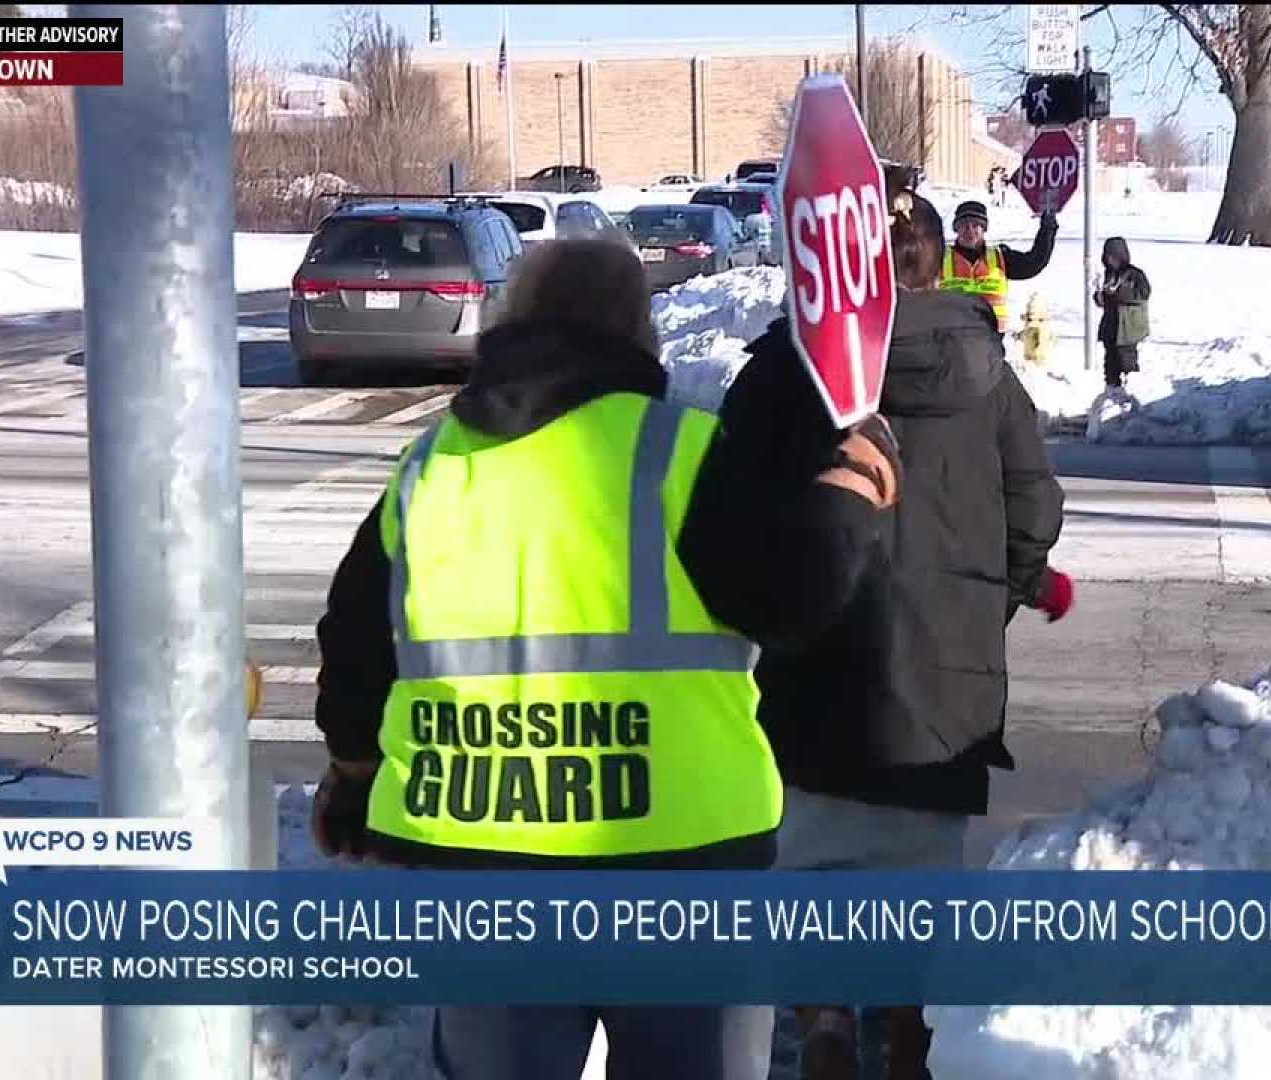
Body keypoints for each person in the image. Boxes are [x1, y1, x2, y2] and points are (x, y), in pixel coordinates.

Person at [308, 236, 903, 1080]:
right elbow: (794, 598)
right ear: (637, 332)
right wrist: (854, 488)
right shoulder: (681, 451)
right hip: (682, 866)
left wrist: (356, 772)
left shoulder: (430, 468)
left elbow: (357, 641)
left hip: (481, 868)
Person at [709, 168, 1069, 1080]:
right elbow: (1036, 504)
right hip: (946, 674)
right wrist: (996, 596)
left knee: (818, 858)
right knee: (919, 870)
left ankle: (827, 1021)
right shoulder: (985, 374)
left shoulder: (783, 373)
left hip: (810, 661)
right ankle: (908, 1027)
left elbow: (725, 524)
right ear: (937, 260)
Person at [939, 200, 1058, 330]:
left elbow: (1034, 263)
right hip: (951, 340)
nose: (970, 230)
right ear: (956, 229)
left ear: (984, 229)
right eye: (964, 225)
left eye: (976, 225)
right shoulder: (939, 258)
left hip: (990, 340)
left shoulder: (1000, 257)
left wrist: (1047, 228)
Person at [1091, 236, 1152, 399]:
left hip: (1128, 328)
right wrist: (1100, 297)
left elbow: (1143, 294)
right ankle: (1112, 392)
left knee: (1127, 363)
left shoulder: (1135, 274)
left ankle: (1131, 395)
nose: (1110, 260)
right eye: (1107, 256)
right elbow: (1106, 299)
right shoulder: (1108, 274)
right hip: (1111, 326)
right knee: (1110, 363)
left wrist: (1119, 293)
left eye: (1113, 256)